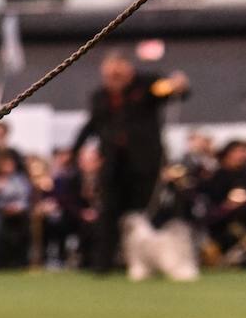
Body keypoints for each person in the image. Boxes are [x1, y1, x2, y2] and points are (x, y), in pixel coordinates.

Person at [70, 52, 190, 273]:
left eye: (118, 73)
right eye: (109, 74)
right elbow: (92, 125)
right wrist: (74, 151)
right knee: (108, 213)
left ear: (129, 70)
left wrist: (179, 85)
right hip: (112, 165)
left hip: (144, 164)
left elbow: (171, 92)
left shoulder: (147, 85)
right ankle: (103, 265)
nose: (114, 78)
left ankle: (155, 263)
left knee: (146, 214)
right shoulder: (100, 97)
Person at [200, 139, 246, 267]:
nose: (242, 155)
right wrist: (228, 205)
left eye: (243, 151)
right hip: (222, 222)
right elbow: (210, 202)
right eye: (239, 151)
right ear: (228, 153)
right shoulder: (217, 175)